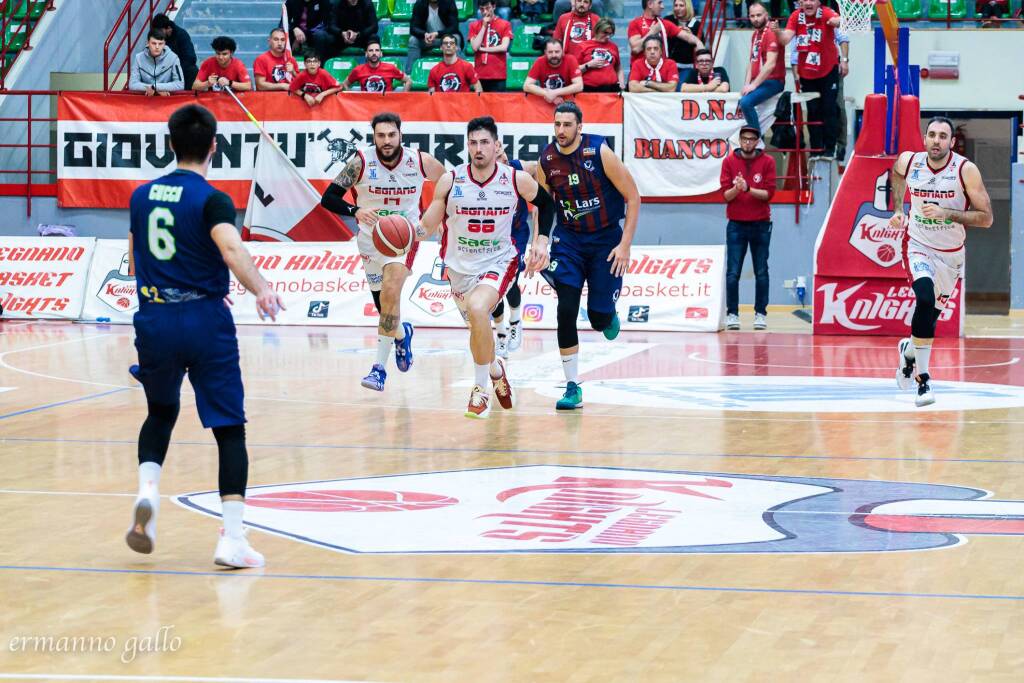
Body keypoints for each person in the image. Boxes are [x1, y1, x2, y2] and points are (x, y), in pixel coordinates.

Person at [124, 103, 285, 568]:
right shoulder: (213, 199)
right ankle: (231, 539)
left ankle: (148, 494)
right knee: (229, 429)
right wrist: (261, 289)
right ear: (214, 145)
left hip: (154, 318)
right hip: (204, 320)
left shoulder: (140, 197)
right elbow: (230, 248)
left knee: (160, 411)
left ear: (170, 143)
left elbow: (135, 261)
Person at [416, 116, 556, 418]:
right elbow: (427, 224)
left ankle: (480, 390)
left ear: (497, 146)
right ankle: (495, 370)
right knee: (477, 329)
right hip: (458, 266)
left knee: (480, 309)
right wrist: (406, 235)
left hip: (500, 259)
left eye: (484, 143)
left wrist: (542, 241)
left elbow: (547, 204)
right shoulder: (451, 180)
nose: (478, 149)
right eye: (473, 143)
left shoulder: (515, 179)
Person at [320, 113, 446, 391]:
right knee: (383, 307)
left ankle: (378, 370)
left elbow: (449, 184)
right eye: (381, 136)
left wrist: (435, 221)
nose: (386, 141)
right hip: (370, 241)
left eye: (391, 135)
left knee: (390, 293)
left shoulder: (420, 161)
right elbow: (327, 198)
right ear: (374, 137)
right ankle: (402, 334)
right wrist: (356, 211)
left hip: (404, 239)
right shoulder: (361, 162)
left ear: (401, 134)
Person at [536, 102, 640, 410]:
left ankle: (608, 312)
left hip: (605, 239)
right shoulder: (547, 159)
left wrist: (625, 245)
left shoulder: (600, 152)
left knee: (598, 319)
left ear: (580, 127)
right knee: (565, 308)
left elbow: (633, 197)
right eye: (557, 124)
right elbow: (543, 206)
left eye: (567, 125)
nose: (561, 131)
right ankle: (572, 386)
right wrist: (539, 241)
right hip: (568, 240)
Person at [887, 117, 993, 406]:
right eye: (932, 134)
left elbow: (986, 218)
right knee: (923, 298)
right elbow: (896, 174)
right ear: (924, 138)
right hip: (918, 244)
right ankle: (923, 380)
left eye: (943, 136)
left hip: (951, 254)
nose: (936, 140)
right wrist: (898, 208)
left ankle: (909, 351)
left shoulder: (965, 170)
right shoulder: (910, 161)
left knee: (929, 318)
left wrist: (948, 213)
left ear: (951, 142)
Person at [720, 126, 776, 331]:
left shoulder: (768, 162)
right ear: (739, 141)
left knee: (762, 271)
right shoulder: (728, 162)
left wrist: (748, 188)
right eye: (744, 139)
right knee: (733, 272)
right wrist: (737, 188)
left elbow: (769, 194)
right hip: (736, 224)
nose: (748, 143)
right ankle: (732, 313)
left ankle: (760, 314)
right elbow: (725, 196)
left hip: (761, 224)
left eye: (752, 139)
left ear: (758, 142)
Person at [777, 0, 842, 159]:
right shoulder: (795, 16)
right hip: (807, 72)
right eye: (804, 0)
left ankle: (829, 149)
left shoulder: (826, 12)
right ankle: (816, 150)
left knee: (829, 109)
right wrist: (777, 31)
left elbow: (839, 21)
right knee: (813, 111)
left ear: (819, 2)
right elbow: (785, 39)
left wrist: (837, 21)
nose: (808, 3)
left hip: (828, 69)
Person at [492, 146, 539, 357]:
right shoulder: (477, 178)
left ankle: (516, 320)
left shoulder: (517, 169)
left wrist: (539, 194)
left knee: (509, 280)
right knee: (492, 287)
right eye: (498, 158)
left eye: (503, 154)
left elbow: (538, 168)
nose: (503, 160)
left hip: (516, 234)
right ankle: (501, 334)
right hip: (490, 237)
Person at [738, 2, 784, 132]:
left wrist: (753, 86)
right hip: (760, 82)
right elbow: (751, 61)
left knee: (746, 103)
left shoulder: (771, 32)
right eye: (752, 16)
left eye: (759, 15)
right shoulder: (755, 34)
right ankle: (757, 138)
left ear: (766, 15)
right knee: (743, 100)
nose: (755, 19)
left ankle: (755, 140)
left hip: (773, 81)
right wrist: (746, 84)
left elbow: (770, 64)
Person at [469, 0, 513, 92]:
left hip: (497, 75)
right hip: (479, 75)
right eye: (482, 9)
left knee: (498, 105)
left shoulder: (505, 24)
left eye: (487, 8)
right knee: (480, 105)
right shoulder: (474, 25)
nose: (485, 12)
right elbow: (475, 47)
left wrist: (483, 49)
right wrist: (484, 26)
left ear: (494, 6)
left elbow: (504, 47)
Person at [312, 0, 380, 60]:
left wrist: (358, 34)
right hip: (340, 38)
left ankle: (373, 69)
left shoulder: (367, 3)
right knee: (320, 36)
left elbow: (374, 26)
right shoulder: (336, 3)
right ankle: (320, 68)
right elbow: (331, 25)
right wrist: (341, 33)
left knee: (374, 38)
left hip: (360, 37)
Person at [407, 0, 461, 72]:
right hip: (427, 39)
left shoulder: (449, 2)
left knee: (456, 38)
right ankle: (410, 74)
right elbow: (413, 28)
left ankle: (459, 73)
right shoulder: (420, 3)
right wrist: (424, 34)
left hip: (444, 39)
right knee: (413, 40)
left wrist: (437, 33)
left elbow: (454, 27)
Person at [524, 39, 583, 104]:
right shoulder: (539, 61)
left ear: (562, 52)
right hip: (546, 100)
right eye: (550, 52)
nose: (554, 55)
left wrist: (555, 93)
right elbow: (526, 86)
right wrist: (546, 93)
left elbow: (579, 86)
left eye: (557, 52)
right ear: (545, 52)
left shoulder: (571, 59)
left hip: (568, 101)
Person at [341, 39, 412, 92]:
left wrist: (403, 96)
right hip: (366, 108)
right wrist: (351, 99)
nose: (374, 53)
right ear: (366, 54)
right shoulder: (358, 70)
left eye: (377, 50)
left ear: (381, 53)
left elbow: (408, 81)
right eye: (371, 50)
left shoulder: (391, 68)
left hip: (386, 107)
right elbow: (344, 84)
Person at [129, 29, 185, 96]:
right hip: (145, 101)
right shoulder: (138, 58)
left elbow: (180, 84)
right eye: (154, 43)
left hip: (166, 102)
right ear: (148, 43)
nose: (157, 47)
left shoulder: (173, 58)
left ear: (164, 44)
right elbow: (132, 84)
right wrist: (152, 88)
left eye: (160, 44)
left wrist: (156, 87)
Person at [151, 13, 198, 88]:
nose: (158, 33)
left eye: (160, 30)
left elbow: (190, 58)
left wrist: (175, 70)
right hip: (164, 71)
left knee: (192, 70)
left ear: (169, 28)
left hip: (181, 69)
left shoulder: (182, 35)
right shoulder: (157, 38)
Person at [578, 18, 624, 93]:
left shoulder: (613, 46)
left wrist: (621, 83)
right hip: (589, 90)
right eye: (605, 33)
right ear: (597, 30)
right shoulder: (583, 46)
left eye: (610, 34)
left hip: (611, 89)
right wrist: (588, 65)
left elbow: (618, 68)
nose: (608, 37)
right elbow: (574, 71)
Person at [663, 0, 703, 81]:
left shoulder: (696, 24)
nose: (678, 8)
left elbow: (701, 45)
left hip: (687, 66)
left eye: (681, 5)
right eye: (676, 5)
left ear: (687, 7)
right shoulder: (668, 20)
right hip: (669, 64)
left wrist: (691, 36)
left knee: (679, 87)